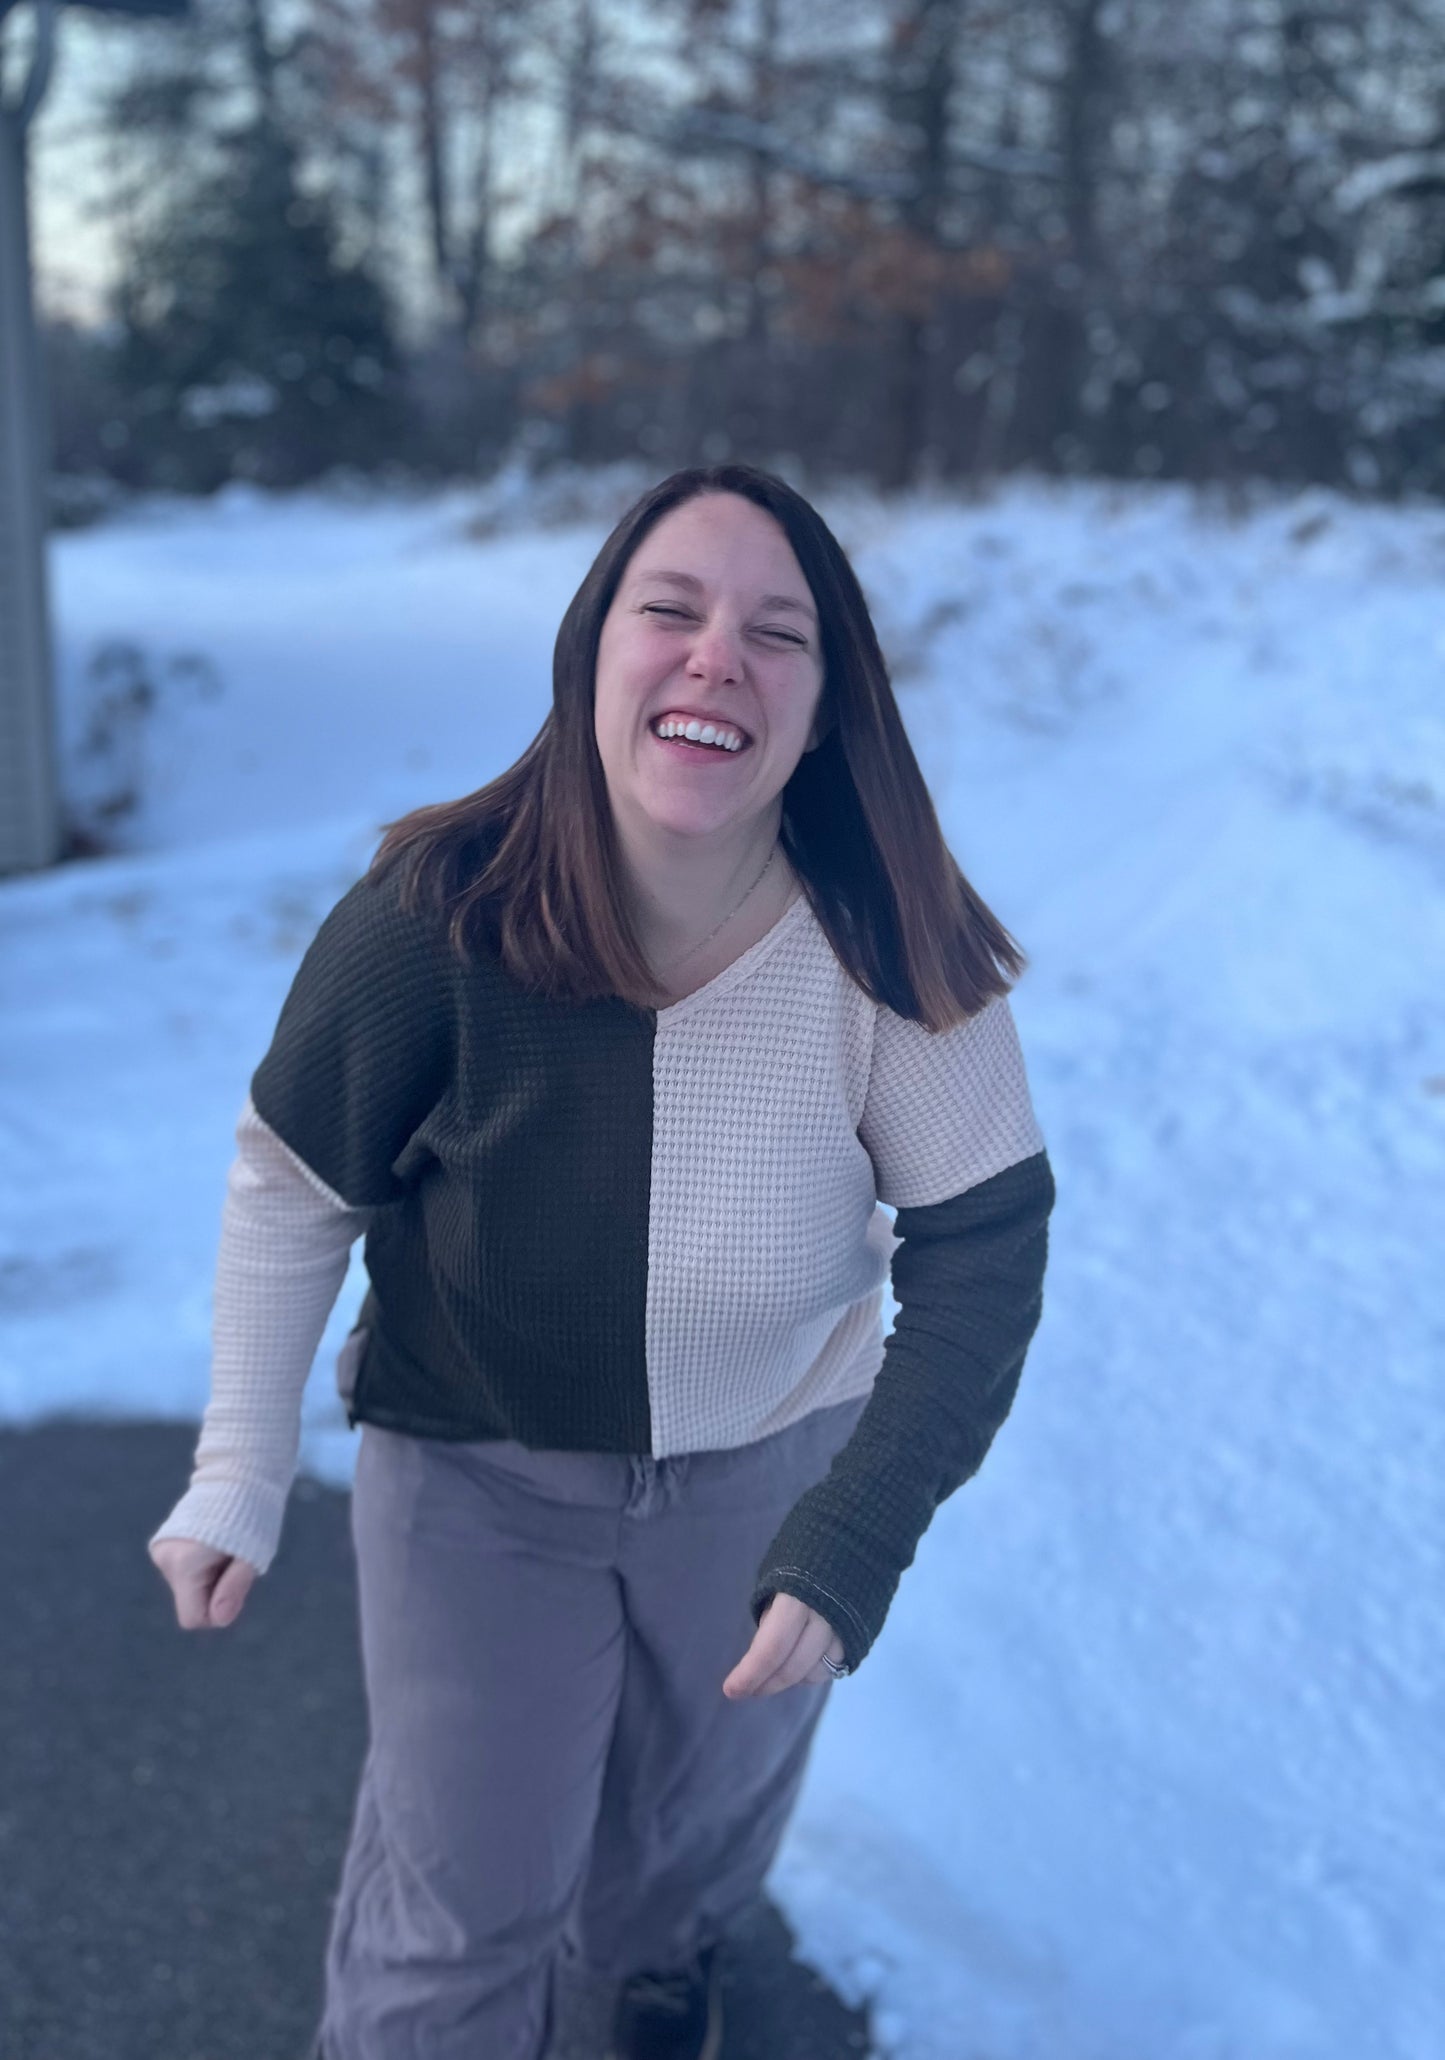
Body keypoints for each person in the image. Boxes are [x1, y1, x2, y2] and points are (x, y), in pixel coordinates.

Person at [148, 462, 1056, 2060]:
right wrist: (238, 1466)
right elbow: (294, 1188)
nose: (718, 658)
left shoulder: (887, 939)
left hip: (767, 1479)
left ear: (828, 707)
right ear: (591, 656)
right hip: (481, 1482)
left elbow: (982, 1251)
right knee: (464, 1917)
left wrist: (859, 1529)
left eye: (778, 634)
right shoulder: (437, 915)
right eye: (672, 610)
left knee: (665, 1892)